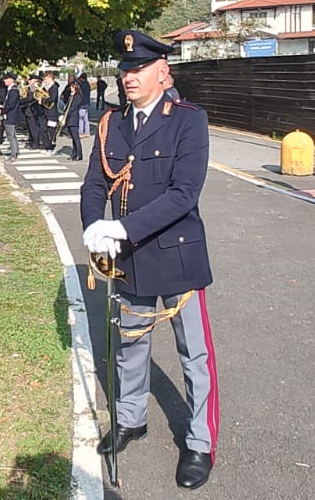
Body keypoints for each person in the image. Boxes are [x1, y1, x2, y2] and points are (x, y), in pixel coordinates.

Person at [80, 30, 216, 490]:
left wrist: (122, 227)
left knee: (193, 355)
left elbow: (184, 194)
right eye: (124, 69)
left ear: (163, 72)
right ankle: (130, 419)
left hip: (177, 256)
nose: (128, 77)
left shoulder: (188, 121)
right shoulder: (112, 122)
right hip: (129, 260)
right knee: (130, 347)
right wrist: (92, 228)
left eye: (138, 69)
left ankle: (199, 442)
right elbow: (94, 184)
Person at [0, 73, 21, 161]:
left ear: (11, 80)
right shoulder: (10, 90)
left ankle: (13, 155)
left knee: (11, 136)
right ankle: (16, 151)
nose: (4, 81)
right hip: (10, 115)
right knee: (12, 135)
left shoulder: (13, 91)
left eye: (6, 79)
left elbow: (10, 105)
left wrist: (2, 111)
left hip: (11, 116)